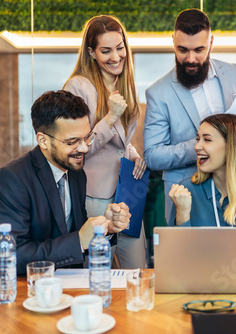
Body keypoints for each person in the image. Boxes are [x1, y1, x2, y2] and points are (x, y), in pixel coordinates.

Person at [144, 8, 236, 224]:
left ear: (212, 43)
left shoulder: (233, 72)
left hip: (235, 184)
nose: (190, 58)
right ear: (172, 42)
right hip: (187, 191)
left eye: (199, 49)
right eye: (182, 50)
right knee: (187, 252)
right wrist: (205, 144)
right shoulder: (158, 93)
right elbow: (152, 155)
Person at [0, 90, 131, 274]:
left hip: (65, 283)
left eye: (86, 137)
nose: (84, 148)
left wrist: (105, 229)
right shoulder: (10, 180)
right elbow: (13, 255)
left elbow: (78, 235)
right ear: (43, 140)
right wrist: (78, 241)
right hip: (18, 287)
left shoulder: (76, 174)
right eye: (72, 142)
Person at [64, 15, 146, 269]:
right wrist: (110, 117)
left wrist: (132, 153)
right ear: (91, 52)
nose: (115, 56)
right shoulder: (77, 86)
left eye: (120, 48)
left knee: (137, 269)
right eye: (105, 50)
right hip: (94, 196)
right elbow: (75, 147)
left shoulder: (125, 85)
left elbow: (121, 142)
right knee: (97, 276)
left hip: (126, 193)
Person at [169, 114, 236, 227]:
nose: (197, 146)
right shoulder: (186, 191)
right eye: (198, 139)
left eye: (207, 140)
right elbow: (175, 245)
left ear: (231, 146)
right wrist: (182, 214)